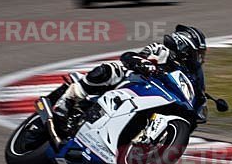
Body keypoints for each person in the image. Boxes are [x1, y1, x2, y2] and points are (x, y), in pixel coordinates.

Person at [52, 25, 207, 127]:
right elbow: (129, 56)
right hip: (132, 84)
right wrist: (143, 63)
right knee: (110, 70)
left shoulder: (191, 74)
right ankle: (68, 99)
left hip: (153, 100)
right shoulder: (161, 51)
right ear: (183, 47)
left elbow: (198, 94)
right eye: (197, 53)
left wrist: (200, 105)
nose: (199, 58)